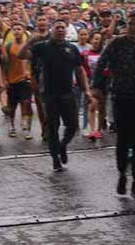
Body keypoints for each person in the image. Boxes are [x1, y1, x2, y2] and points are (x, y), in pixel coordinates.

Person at [93, 11, 135, 196]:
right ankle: (122, 174)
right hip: (121, 97)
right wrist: (97, 86)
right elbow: (101, 64)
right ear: (126, 25)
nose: (134, 27)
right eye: (130, 24)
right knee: (122, 140)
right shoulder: (117, 43)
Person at [20, 20, 94, 171]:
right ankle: (55, 160)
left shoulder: (71, 48)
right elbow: (21, 55)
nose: (60, 30)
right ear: (52, 30)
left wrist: (86, 90)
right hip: (49, 94)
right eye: (57, 27)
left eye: (63, 28)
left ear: (66, 31)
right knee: (53, 127)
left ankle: (62, 146)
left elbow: (79, 70)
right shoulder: (42, 47)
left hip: (68, 92)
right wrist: (29, 41)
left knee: (72, 126)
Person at [3, 22, 33, 139]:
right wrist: (5, 79)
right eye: (14, 29)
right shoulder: (8, 46)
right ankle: (11, 126)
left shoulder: (29, 45)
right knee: (12, 105)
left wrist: (29, 73)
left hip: (25, 79)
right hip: (12, 79)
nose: (16, 31)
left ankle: (26, 127)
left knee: (26, 102)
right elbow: (5, 64)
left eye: (19, 29)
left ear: (23, 31)